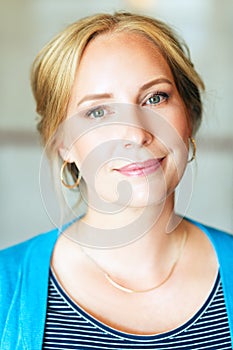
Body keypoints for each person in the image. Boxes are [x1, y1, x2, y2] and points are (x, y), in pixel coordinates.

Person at [0, 11, 233, 350]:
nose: (136, 134)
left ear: (189, 115)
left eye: (155, 98)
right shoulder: (6, 288)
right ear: (63, 143)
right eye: (98, 112)